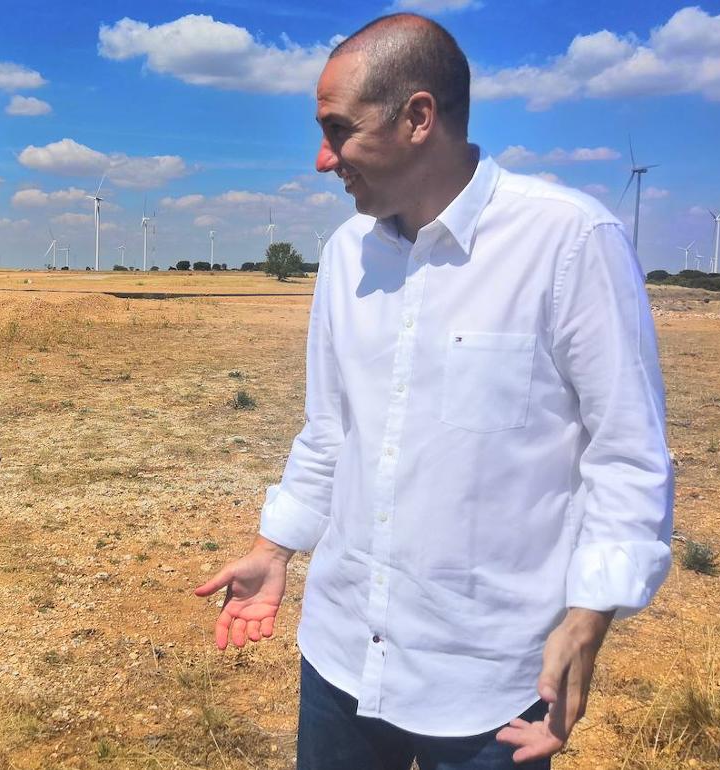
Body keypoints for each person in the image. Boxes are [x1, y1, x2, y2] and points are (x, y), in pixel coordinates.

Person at [195, 13, 673, 770]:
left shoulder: (568, 241)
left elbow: (628, 454)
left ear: (418, 117)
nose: (322, 159)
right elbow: (330, 430)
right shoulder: (345, 253)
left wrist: (588, 618)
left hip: (491, 679)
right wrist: (274, 547)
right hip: (342, 655)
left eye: (337, 129)